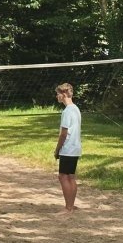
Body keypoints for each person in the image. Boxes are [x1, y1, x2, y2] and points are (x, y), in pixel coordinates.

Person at [54, 83, 81, 214]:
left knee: (63, 177)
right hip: (75, 148)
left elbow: (63, 134)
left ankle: (68, 208)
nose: (56, 96)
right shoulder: (75, 108)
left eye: (58, 94)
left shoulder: (67, 111)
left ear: (64, 94)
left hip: (68, 149)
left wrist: (57, 149)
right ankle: (71, 205)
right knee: (70, 177)